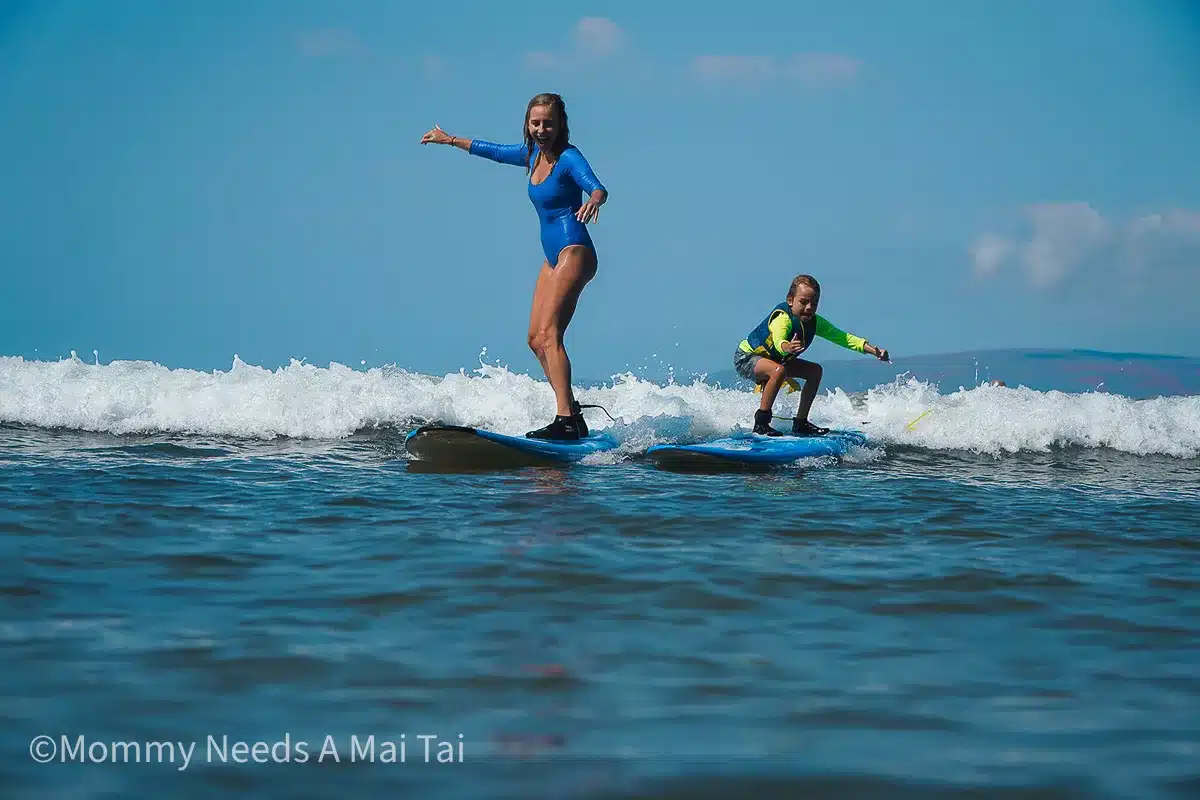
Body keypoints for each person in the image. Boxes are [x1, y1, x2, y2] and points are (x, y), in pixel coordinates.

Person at [420, 93, 608, 441]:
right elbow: (492, 150)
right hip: (553, 257)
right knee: (535, 340)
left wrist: (594, 200)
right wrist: (449, 140)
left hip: (575, 251)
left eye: (548, 123)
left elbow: (596, 186)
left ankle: (566, 418)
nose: (541, 129)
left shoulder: (569, 158)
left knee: (551, 335)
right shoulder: (531, 155)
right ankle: (572, 413)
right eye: (535, 123)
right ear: (527, 124)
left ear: (560, 125)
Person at [735, 274, 890, 436]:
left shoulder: (816, 323)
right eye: (803, 302)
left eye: (814, 303)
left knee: (815, 371)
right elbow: (779, 341)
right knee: (778, 371)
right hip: (746, 357)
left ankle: (801, 423)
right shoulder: (783, 319)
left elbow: (843, 338)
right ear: (790, 300)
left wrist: (873, 350)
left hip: (775, 361)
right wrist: (788, 347)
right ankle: (761, 425)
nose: (809, 307)